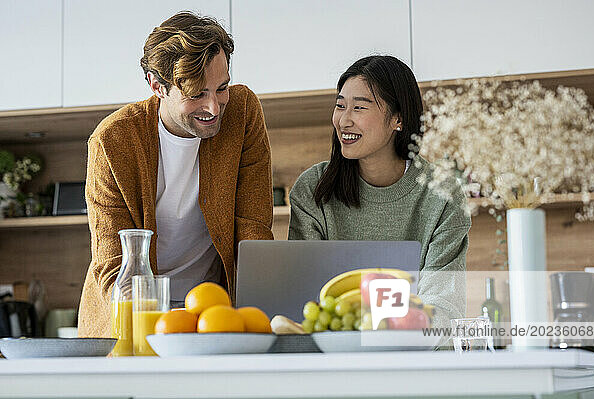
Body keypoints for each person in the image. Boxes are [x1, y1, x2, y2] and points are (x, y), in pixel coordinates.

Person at [78, 12, 273, 338]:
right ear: (158, 85)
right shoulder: (112, 141)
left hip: (213, 315)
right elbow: (112, 262)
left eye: (221, 87)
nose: (213, 107)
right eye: (196, 94)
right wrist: (146, 324)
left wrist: (259, 313)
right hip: (131, 318)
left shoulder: (241, 111)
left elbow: (252, 231)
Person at [288, 56, 470, 328]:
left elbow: (443, 305)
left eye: (359, 108)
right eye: (340, 106)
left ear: (398, 119)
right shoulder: (313, 188)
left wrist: (390, 333)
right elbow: (302, 297)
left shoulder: (442, 194)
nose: (343, 120)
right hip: (331, 356)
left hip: (414, 357)